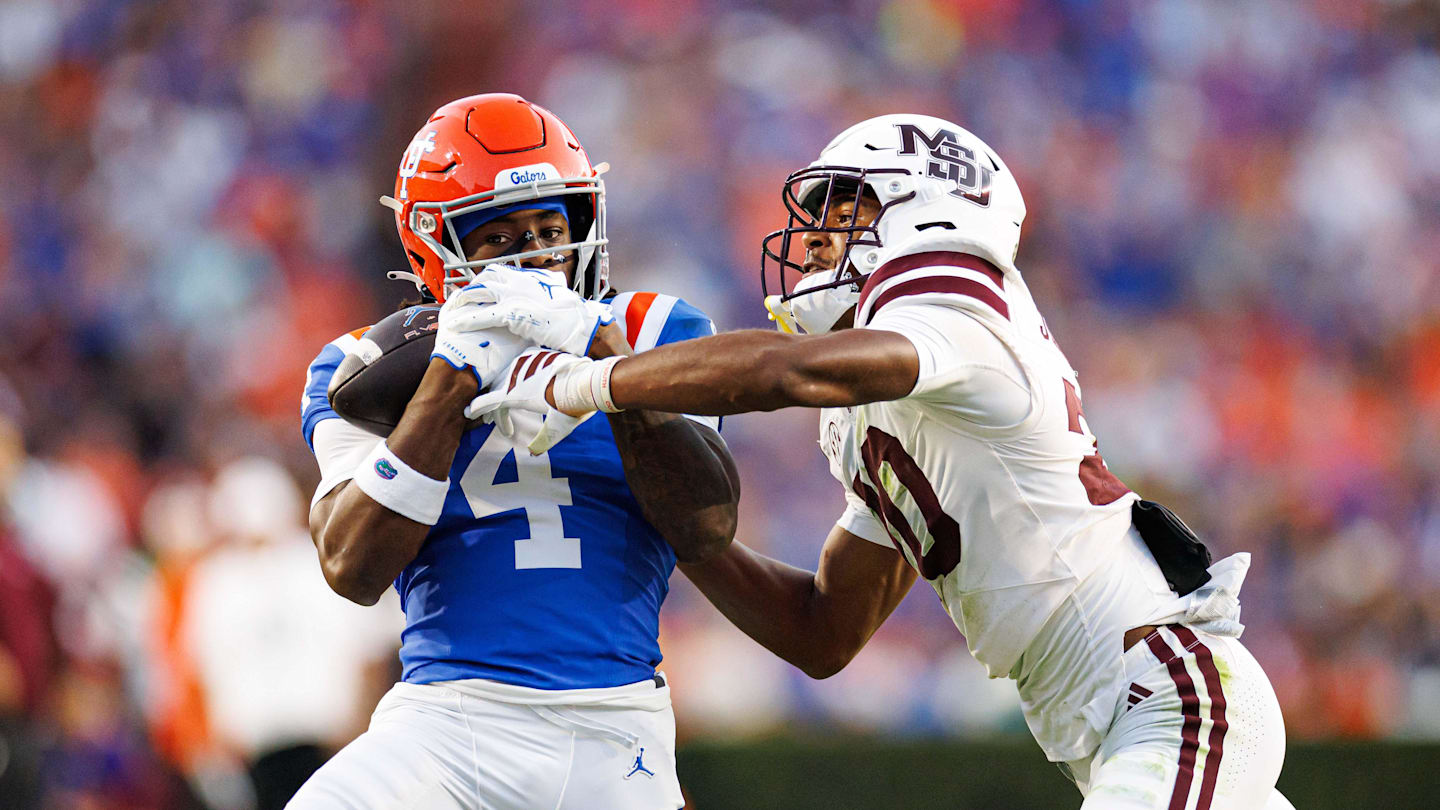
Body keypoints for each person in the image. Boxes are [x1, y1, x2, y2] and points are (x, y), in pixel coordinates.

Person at [464, 114, 1293, 810]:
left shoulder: (959, 297)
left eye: (846, 208)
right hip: (1120, 723)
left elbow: (790, 374)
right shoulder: (883, 406)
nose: (814, 237)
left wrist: (589, 380)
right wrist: (669, 517)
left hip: (1172, 699)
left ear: (927, 210)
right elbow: (822, 630)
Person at [290, 93, 738, 810]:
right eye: (500, 238)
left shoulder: (657, 328)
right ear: (434, 248)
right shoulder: (368, 368)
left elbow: (706, 526)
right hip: (444, 724)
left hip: (616, 727)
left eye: (550, 229)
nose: (537, 257)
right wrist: (449, 379)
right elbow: (351, 566)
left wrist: (609, 366)